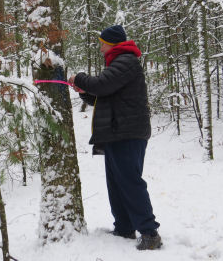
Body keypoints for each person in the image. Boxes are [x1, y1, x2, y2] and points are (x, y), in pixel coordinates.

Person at [68, 25, 162, 251]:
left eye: (102, 43)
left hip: (127, 133)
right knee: (117, 183)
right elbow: (104, 96)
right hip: (117, 133)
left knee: (129, 181)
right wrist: (83, 91)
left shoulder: (126, 62)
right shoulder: (118, 64)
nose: (100, 48)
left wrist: (79, 78)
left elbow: (102, 85)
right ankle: (124, 226)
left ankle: (150, 233)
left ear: (111, 44)